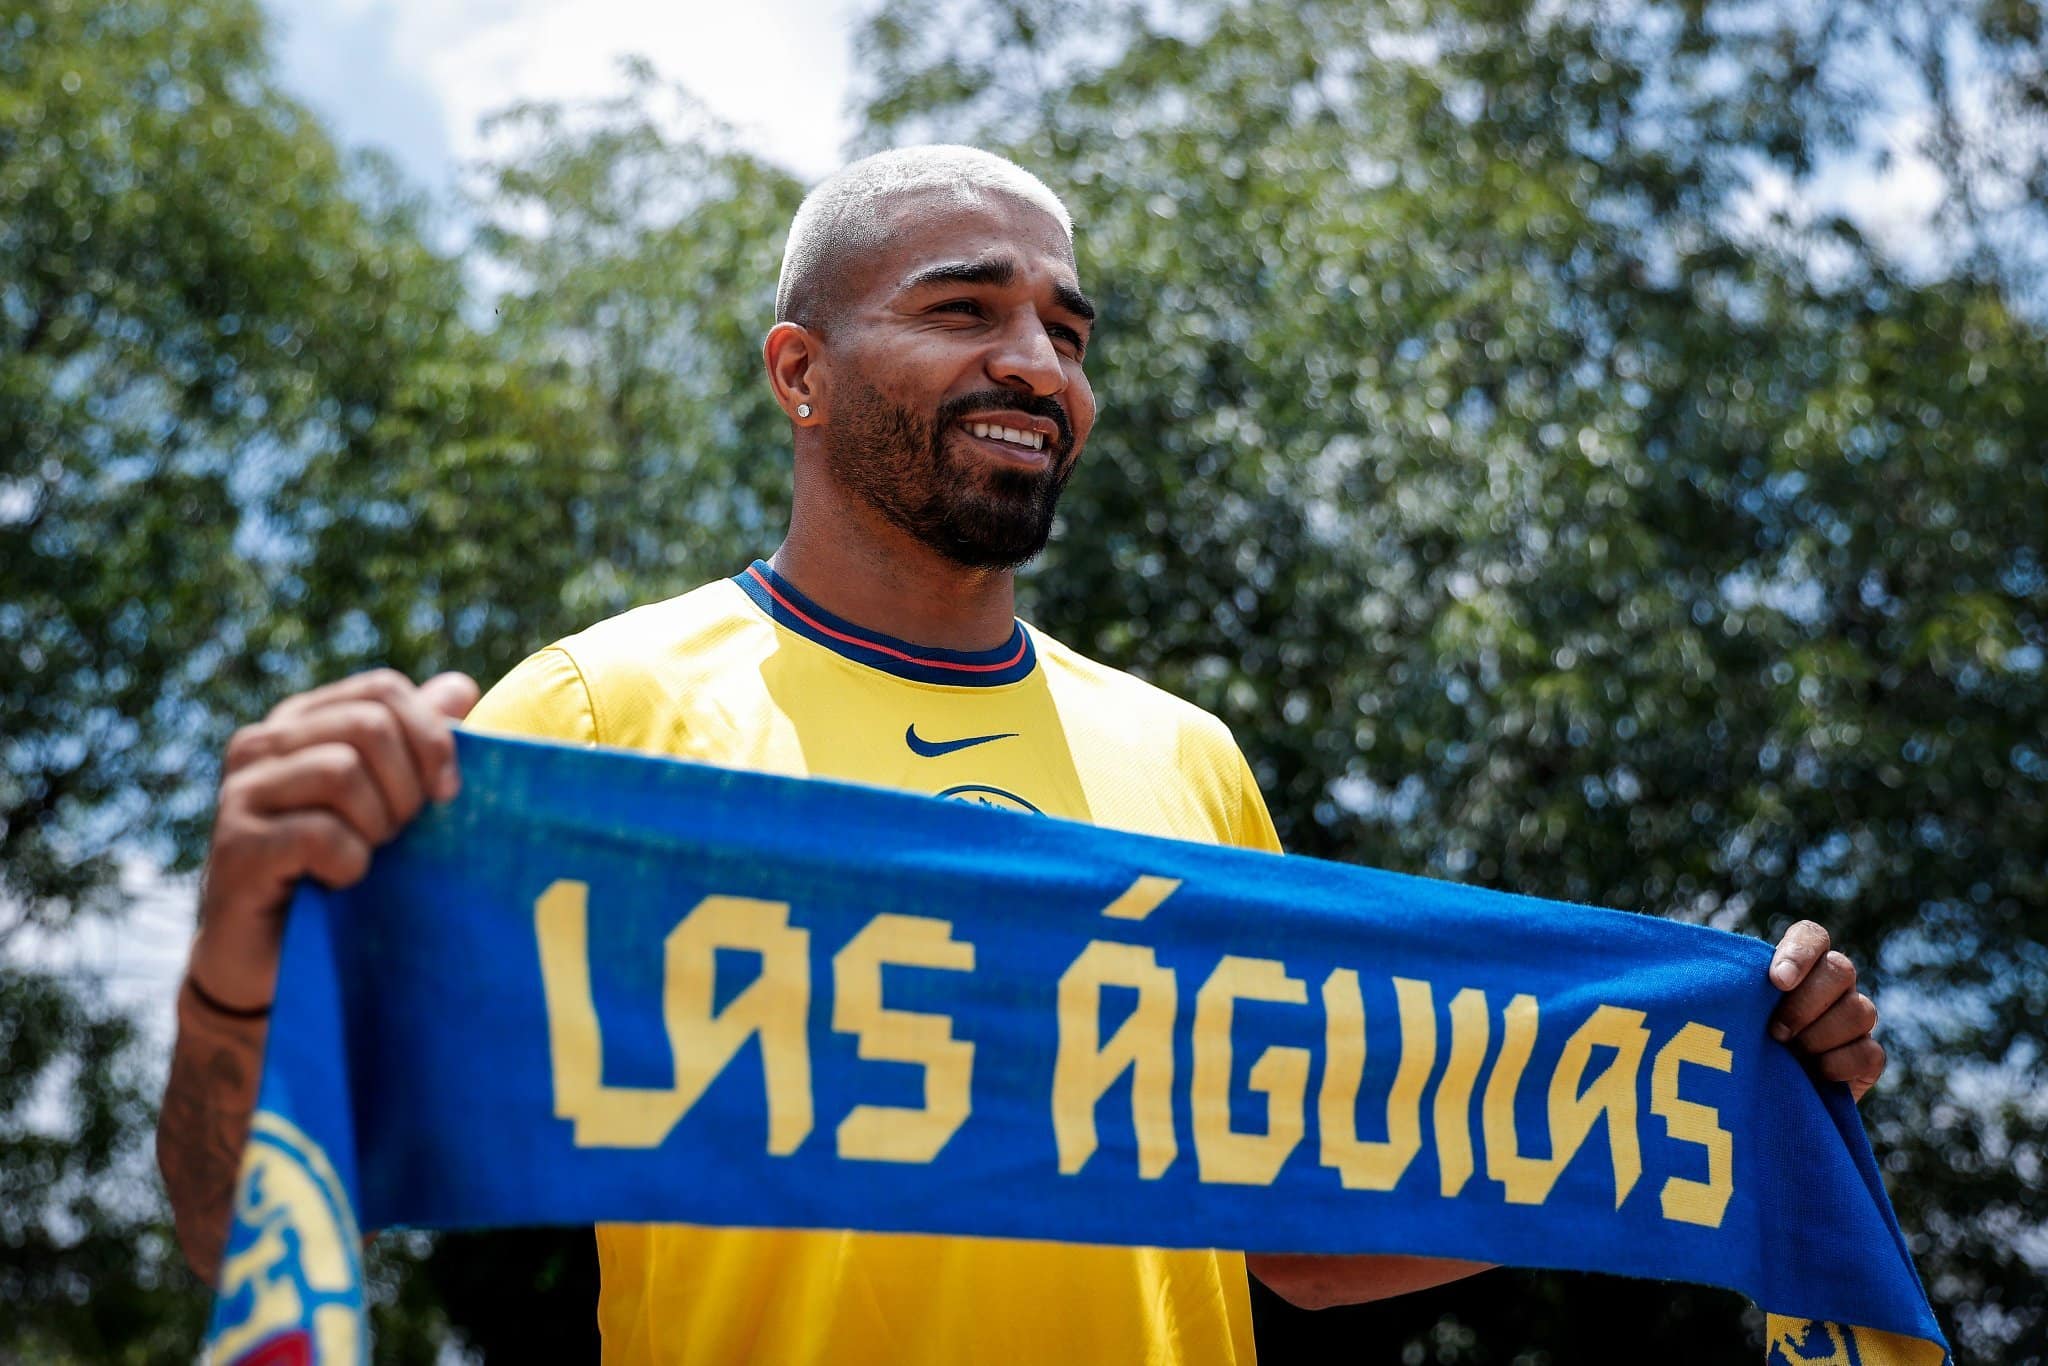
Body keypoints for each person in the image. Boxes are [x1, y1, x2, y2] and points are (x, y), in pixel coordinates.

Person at [158, 146, 1888, 1364]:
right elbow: (259, 1219)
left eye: (1068, 327)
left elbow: (1304, 1234)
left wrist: (1696, 1093)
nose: (1035, 361)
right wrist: (239, 978)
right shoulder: (607, 709)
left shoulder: (1187, 758)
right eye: (965, 306)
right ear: (801, 372)